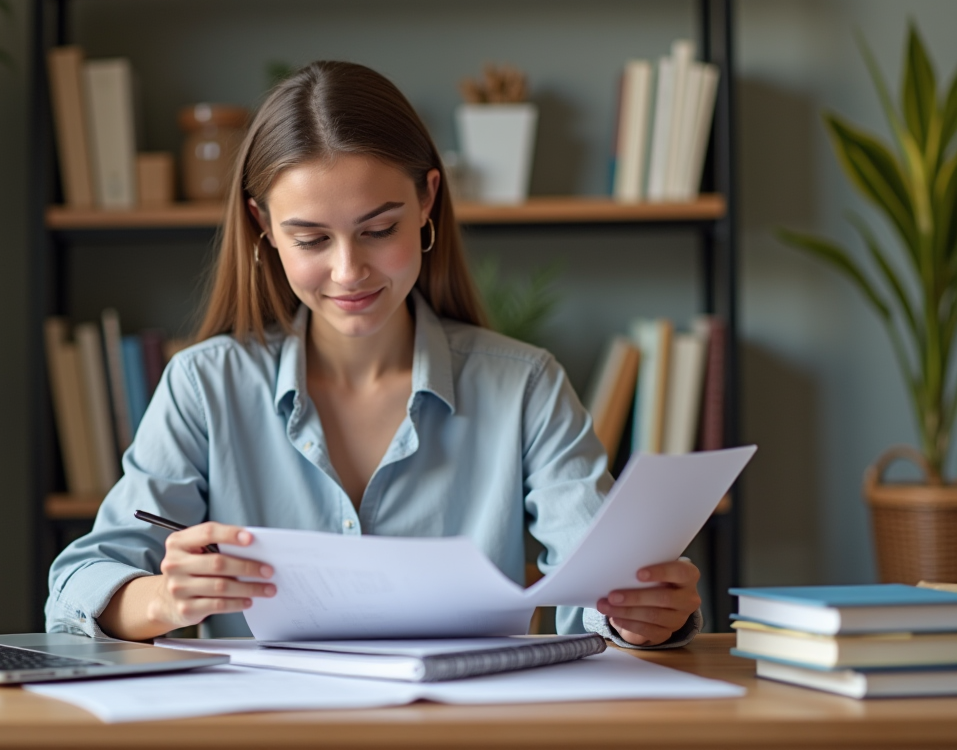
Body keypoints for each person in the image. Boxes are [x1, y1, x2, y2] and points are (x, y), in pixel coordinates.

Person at [46, 60, 702, 649]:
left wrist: (638, 613)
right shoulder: (204, 384)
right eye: (310, 239)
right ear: (263, 228)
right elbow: (79, 580)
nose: (347, 271)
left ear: (427, 202)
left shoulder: (524, 385)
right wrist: (162, 598)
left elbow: (602, 588)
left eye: (378, 230)